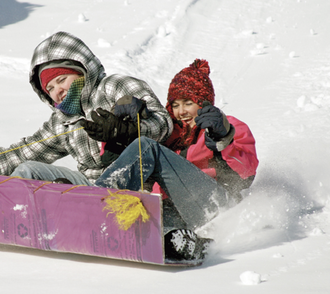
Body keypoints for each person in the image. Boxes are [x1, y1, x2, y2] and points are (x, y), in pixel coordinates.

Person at [94, 59, 259, 262]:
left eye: (188, 103)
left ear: (204, 102)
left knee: (147, 147)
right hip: (178, 211)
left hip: (215, 205)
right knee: (154, 225)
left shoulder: (228, 125)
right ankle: (183, 245)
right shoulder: (168, 131)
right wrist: (121, 134)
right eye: (175, 105)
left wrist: (222, 138)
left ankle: (95, 202)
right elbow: (118, 161)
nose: (181, 111)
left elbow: (246, 174)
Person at [0, 31, 172, 185]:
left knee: (133, 156)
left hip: (137, 184)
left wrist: (128, 131)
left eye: (62, 79)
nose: (57, 90)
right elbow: (26, 151)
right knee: (27, 170)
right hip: (91, 189)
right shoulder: (63, 121)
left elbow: (163, 123)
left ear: (82, 71)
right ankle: (11, 216)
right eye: (49, 88)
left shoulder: (115, 86)